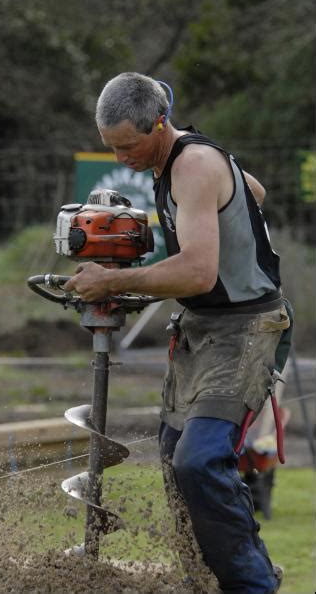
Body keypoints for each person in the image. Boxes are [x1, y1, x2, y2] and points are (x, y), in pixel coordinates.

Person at [64, 72, 291, 593]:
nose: (122, 159)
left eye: (128, 146)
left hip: (246, 329)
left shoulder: (192, 165)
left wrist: (114, 280)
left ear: (159, 122)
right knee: (173, 459)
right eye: (111, 148)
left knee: (199, 460)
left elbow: (196, 273)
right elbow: (252, 190)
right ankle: (206, 580)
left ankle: (253, 584)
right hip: (201, 327)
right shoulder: (183, 162)